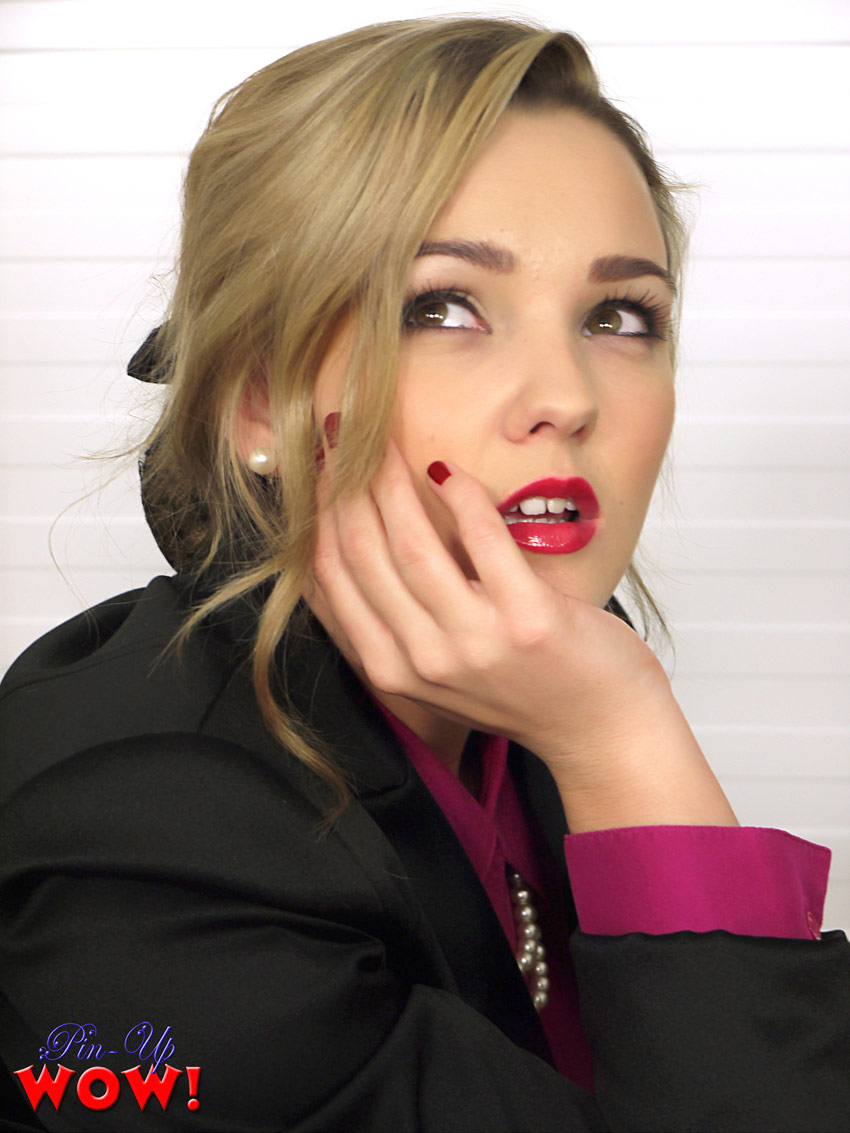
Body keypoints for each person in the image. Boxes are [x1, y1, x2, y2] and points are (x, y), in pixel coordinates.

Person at [0, 17, 848, 1132]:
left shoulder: (518, 705)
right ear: (259, 400)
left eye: (617, 315)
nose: (567, 396)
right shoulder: (141, 839)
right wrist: (625, 742)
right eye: (442, 306)